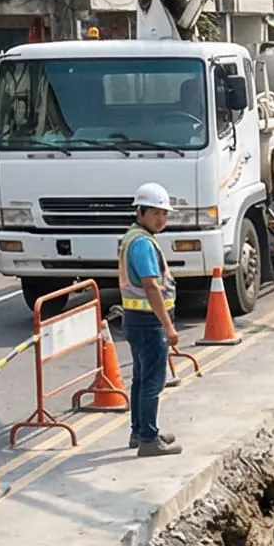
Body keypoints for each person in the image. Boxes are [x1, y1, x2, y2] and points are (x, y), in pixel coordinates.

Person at [118, 184, 185, 458]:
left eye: (164, 214)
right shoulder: (143, 243)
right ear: (141, 211)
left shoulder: (134, 237)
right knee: (153, 383)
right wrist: (168, 326)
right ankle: (148, 439)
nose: (161, 220)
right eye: (156, 213)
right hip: (148, 322)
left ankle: (141, 431)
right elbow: (151, 286)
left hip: (136, 320)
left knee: (140, 379)